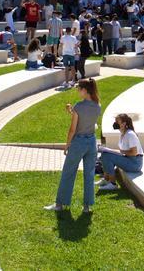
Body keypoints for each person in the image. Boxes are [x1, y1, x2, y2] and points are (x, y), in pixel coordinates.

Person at [45, 78, 100, 214]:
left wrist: (66, 145)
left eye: (78, 88)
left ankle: (59, 204)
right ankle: (87, 207)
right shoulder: (97, 105)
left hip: (78, 143)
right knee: (89, 174)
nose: (77, 90)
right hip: (92, 142)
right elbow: (88, 121)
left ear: (85, 90)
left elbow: (72, 129)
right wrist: (72, 111)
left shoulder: (79, 106)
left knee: (68, 172)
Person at [97, 113, 143, 191]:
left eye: (117, 122)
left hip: (135, 163)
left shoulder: (130, 134)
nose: (115, 123)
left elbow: (134, 153)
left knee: (107, 156)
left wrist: (121, 152)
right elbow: (124, 151)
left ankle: (113, 184)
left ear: (124, 123)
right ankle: (106, 179)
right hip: (129, 160)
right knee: (105, 154)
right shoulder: (123, 134)